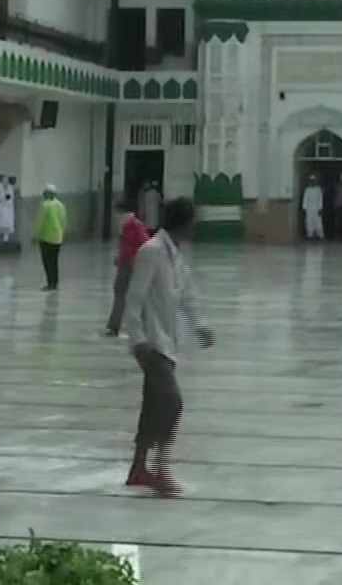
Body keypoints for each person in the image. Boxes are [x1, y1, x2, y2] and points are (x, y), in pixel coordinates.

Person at [121, 197, 213, 497]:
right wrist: (138, 339)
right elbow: (134, 298)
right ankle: (161, 469)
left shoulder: (175, 255)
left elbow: (186, 296)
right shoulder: (152, 252)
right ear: (185, 224)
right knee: (172, 403)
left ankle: (138, 469)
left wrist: (200, 326)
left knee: (153, 406)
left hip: (169, 342)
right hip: (151, 343)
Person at [106, 200, 152, 336]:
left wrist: (136, 260)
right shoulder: (124, 226)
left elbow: (146, 245)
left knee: (138, 296)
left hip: (135, 266)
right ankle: (114, 326)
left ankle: (146, 325)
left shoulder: (136, 226)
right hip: (123, 265)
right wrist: (119, 257)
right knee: (119, 294)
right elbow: (124, 245)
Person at [35, 183, 67, 290]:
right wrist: (61, 233)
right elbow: (64, 221)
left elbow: (40, 221)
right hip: (58, 238)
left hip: (46, 238)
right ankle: (55, 282)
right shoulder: (61, 205)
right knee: (54, 261)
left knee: (47, 262)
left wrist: (36, 234)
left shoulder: (45, 205)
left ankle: (50, 283)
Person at [0, 174, 17, 245]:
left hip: (6, 207)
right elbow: (1, 197)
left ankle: (4, 238)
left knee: (6, 222)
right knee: (1, 222)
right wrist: (6, 197)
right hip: (3, 207)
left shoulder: (5, 187)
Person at [300, 175, 325, 241]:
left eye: (314, 181)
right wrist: (304, 208)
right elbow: (305, 199)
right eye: (311, 181)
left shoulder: (318, 189)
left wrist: (320, 208)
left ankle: (320, 235)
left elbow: (320, 199)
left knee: (318, 222)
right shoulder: (307, 190)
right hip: (309, 209)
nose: (313, 182)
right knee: (309, 221)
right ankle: (310, 235)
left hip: (317, 209)